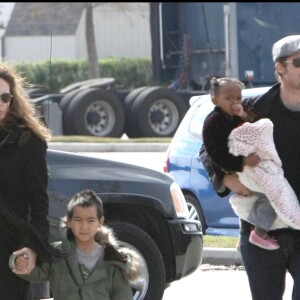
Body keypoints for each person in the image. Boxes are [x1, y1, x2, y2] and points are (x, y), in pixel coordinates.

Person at [200, 35, 300, 300]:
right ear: (280, 68)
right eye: (299, 62)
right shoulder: (254, 110)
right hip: (262, 232)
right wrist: (224, 178)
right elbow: (208, 148)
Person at [10, 189, 141, 300]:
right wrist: (19, 262)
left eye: (90, 221)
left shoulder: (113, 260)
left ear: (100, 222)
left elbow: (122, 296)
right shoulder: (56, 253)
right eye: (78, 220)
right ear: (69, 221)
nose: (84, 227)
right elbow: (36, 273)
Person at [0, 62, 59, 300]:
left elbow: (39, 203)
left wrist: (34, 248)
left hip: (11, 248)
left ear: (12, 100)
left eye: (4, 97)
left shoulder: (28, 141)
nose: (0, 104)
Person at [202, 76, 280, 250]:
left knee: (259, 197)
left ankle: (246, 237)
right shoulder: (212, 123)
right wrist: (241, 163)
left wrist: (244, 115)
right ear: (215, 99)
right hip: (234, 170)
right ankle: (258, 233)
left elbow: (259, 123)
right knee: (272, 192)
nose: (235, 102)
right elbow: (215, 154)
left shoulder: (240, 115)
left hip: (251, 167)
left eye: (238, 98)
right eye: (228, 98)